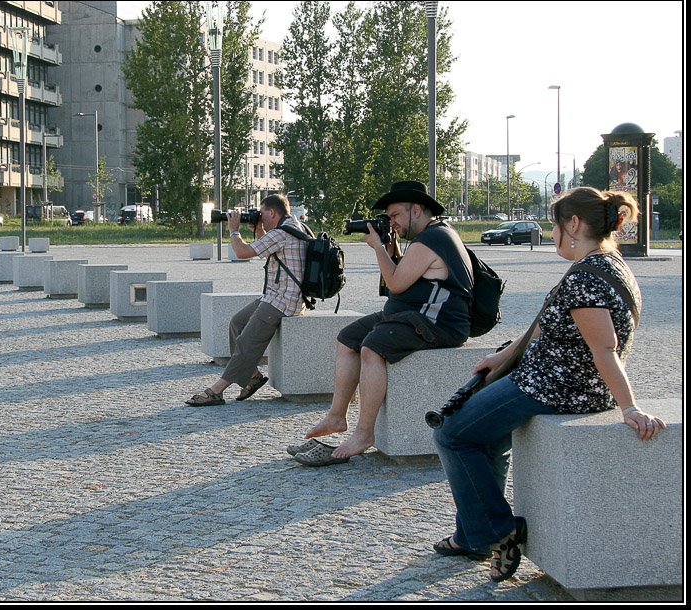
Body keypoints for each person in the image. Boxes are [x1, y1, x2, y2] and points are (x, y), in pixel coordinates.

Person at [431, 187, 665, 582]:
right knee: (488, 438)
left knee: (452, 435)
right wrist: (502, 357)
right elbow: (548, 321)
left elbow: (605, 349)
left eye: (553, 225)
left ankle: (498, 532)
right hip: (558, 379)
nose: (549, 233)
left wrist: (630, 407)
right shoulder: (609, 263)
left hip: (555, 387)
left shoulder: (585, 277)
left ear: (573, 224)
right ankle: (472, 535)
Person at [293, 181, 473, 465]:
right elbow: (404, 275)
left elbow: (397, 283)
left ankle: (364, 434)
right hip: (412, 314)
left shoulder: (433, 239)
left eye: (394, 216)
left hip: (438, 322)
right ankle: (337, 416)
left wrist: (377, 248)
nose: (391, 222)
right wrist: (392, 246)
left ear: (416, 210)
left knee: (372, 347)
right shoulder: (430, 235)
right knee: (348, 338)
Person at [186, 193, 309, 406]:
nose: (259, 217)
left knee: (246, 341)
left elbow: (242, 252)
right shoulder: (294, 226)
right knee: (237, 323)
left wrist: (234, 230)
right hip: (280, 296)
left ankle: (217, 391)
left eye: (261, 214)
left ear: (272, 212)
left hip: (283, 301)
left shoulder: (281, 233)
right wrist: (258, 230)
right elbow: (268, 249)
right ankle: (252, 377)